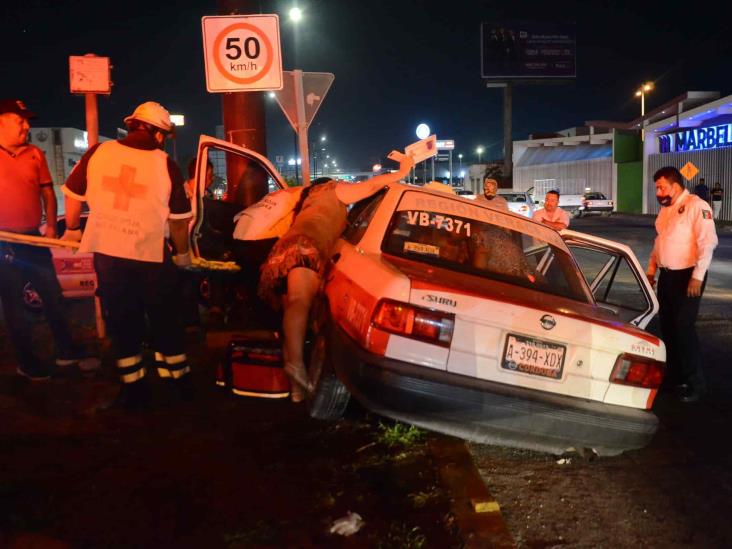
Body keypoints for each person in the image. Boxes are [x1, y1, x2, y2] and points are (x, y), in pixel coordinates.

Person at [62, 101, 193, 410]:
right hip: (150, 256)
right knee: (165, 317)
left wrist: (71, 228)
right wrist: (183, 255)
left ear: (134, 125)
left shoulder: (99, 152)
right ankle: (177, 381)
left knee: (122, 321)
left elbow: (72, 193)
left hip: (108, 256)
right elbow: (177, 221)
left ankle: (133, 388)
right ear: (159, 134)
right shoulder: (164, 164)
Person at [258, 153, 414, 402]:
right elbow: (370, 186)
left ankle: (297, 389)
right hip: (305, 248)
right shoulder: (332, 191)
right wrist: (400, 174)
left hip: (283, 252)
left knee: (293, 309)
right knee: (301, 302)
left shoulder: (307, 201)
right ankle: (296, 364)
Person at [0, 98, 92, 380]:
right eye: (20, 120)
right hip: (4, 243)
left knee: (53, 295)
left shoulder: (34, 154)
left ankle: (67, 350)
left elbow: (48, 193)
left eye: (28, 121)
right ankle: (27, 362)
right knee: (15, 306)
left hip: (33, 239)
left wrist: (51, 227)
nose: (26, 126)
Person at [645, 166, 717, 403]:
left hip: (688, 277)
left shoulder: (698, 206)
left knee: (684, 328)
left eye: (661, 187)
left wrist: (698, 275)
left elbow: (707, 243)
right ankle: (674, 377)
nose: (658, 192)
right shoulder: (666, 210)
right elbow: (659, 242)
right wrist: (651, 269)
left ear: (675, 186)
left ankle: (696, 383)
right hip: (667, 276)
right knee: (668, 327)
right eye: (657, 187)